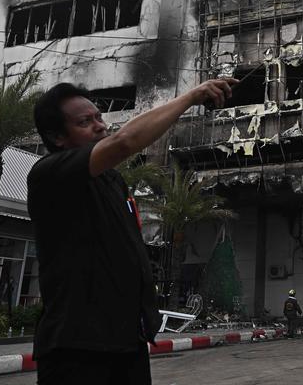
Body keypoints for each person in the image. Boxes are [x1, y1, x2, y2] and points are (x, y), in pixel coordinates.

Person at [27, 78, 237, 385]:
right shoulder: (49, 174)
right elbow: (123, 142)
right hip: (77, 348)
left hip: (127, 341)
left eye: (99, 117)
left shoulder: (113, 182)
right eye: (85, 122)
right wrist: (191, 97)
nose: (100, 126)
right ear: (57, 137)